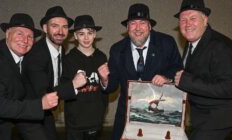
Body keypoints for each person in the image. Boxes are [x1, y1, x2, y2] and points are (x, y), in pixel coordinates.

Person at [98, 3, 183, 140]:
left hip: (159, 115)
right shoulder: (117, 49)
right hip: (126, 115)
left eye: (142, 23)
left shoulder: (166, 43)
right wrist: (104, 79)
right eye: (133, 23)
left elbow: (178, 68)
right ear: (127, 28)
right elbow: (112, 86)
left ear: (150, 26)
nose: (137, 28)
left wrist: (167, 77)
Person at [23, 6, 87, 140]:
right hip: (29, 113)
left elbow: (57, 79)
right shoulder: (36, 55)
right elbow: (44, 95)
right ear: (45, 28)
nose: (60, 31)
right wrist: (74, 84)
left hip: (45, 112)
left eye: (64, 27)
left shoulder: (60, 49)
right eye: (55, 26)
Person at [0, 13, 58, 140]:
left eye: (30, 36)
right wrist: (40, 105)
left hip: (16, 110)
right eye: (20, 34)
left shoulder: (27, 55)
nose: (25, 40)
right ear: (7, 34)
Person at [174, 0, 232, 140]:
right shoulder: (191, 42)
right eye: (183, 20)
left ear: (205, 20)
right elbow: (196, 74)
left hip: (218, 119)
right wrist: (170, 81)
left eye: (193, 18)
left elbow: (228, 87)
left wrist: (186, 81)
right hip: (202, 118)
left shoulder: (221, 46)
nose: (187, 24)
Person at [61, 14, 108, 140]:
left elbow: (105, 90)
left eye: (90, 33)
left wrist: (105, 80)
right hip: (75, 122)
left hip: (95, 120)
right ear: (75, 36)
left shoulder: (101, 57)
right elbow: (62, 91)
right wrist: (73, 84)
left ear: (95, 34)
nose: (86, 37)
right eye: (81, 34)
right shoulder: (68, 59)